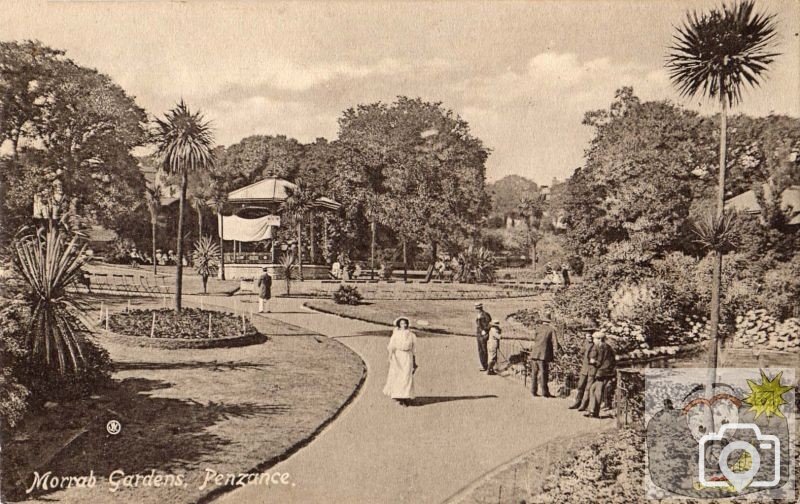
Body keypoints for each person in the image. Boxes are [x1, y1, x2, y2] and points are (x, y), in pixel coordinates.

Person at [383, 317, 417, 406]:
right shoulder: (396, 334)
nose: (404, 325)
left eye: (405, 323)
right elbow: (391, 346)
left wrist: (414, 362)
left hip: (407, 356)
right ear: (399, 325)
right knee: (397, 375)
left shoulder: (411, 335)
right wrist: (390, 356)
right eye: (402, 324)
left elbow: (413, 349)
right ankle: (398, 396)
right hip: (398, 356)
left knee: (406, 376)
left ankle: (405, 396)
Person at [529, 310, 560, 398]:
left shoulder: (538, 328)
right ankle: (544, 392)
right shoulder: (551, 330)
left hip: (534, 353)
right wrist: (556, 351)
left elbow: (534, 339)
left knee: (534, 373)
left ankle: (533, 391)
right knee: (543, 373)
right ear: (549, 321)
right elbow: (555, 343)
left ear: (542, 321)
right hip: (543, 355)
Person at [585, 333, 616, 418]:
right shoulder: (606, 346)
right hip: (605, 371)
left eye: (594, 339)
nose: (593, 340)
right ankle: (592, 410)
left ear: (599, 339)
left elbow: (600, 361)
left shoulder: (603, 347)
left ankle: (594, 412)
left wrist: (593, 361)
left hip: (604, 372)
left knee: (597, 391)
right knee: (593, 389)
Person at [569, 324, 598, 410]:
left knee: (588, 388)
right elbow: (581, 352)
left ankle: (584, 405)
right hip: (584, 369)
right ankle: (577, 402)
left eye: (591, 336)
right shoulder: (585, 343)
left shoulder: (596, 345)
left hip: (592, 369)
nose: (590, 338)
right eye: (588, 336)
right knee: (580, 385)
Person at [474, 303, 492, 371]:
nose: (477, 310)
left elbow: (490, 324)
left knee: (484, 350)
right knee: (480, 350)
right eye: (477, 309)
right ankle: (484, 365)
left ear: (481, 308)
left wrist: (485, 330)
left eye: (478, 308)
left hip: (483, 334)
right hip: (479, 334)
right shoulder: (478, 316)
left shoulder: (485, 315)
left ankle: (487, 366)